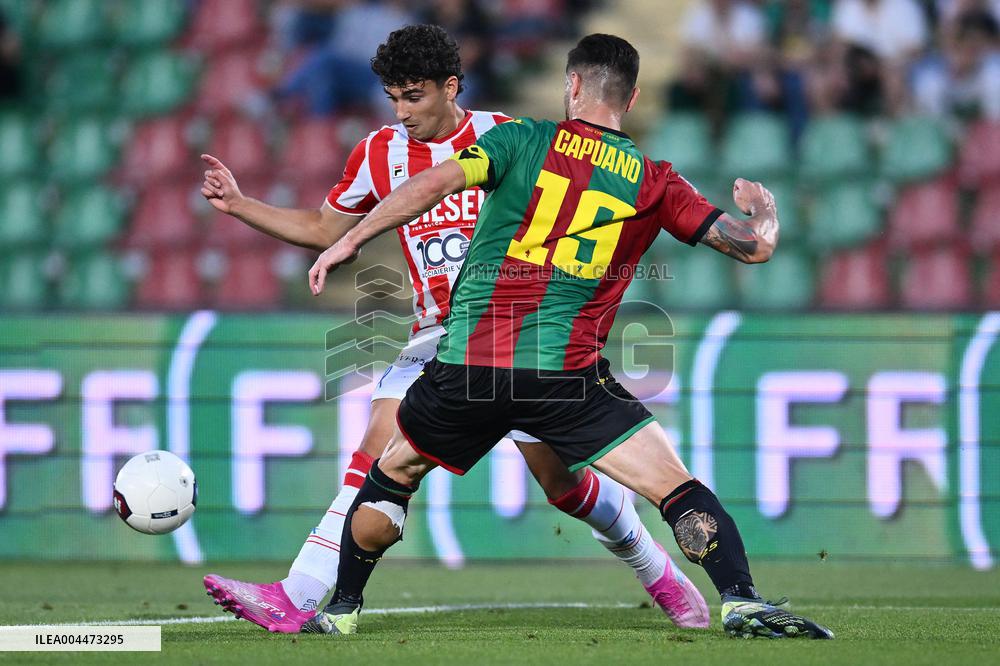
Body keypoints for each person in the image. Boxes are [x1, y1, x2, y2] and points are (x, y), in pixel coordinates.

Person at [306, 33, 835, 640]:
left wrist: (349, 238)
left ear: (572, 85)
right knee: (674, 486)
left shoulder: (518, 138)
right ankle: (741, 599)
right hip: (565, 378)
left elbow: (431, 186)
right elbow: (755, 247)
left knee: (391, 474)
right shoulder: (656, 181)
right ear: (632, 97)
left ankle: (342, 608)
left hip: (468, 367)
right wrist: (763, 209)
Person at [200, 25, 708, 634]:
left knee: (564, 486)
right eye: (393, 97)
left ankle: (657, 571)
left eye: (413, 96)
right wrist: (241, 205)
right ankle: (302, 592)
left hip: (520, 333)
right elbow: (321, 227)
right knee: (377, 446)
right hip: (436, 335)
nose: (401, 112)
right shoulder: (377, 153)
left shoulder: (509, 136)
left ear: (451, 87)